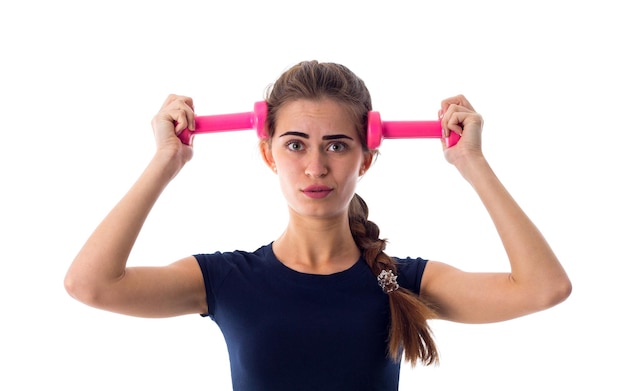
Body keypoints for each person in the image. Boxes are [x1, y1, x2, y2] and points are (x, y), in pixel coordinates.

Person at [64, 60, 572, 390]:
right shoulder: (225, 280)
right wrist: (166, 161)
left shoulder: (403, 282)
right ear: (268, 154)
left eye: (336, 144)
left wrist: (472, 164)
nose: (315, 167)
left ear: (365, 158)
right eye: (294, 144)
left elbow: (544, 288)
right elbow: (91, 285)